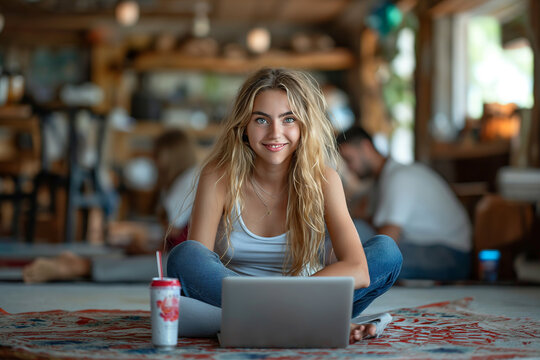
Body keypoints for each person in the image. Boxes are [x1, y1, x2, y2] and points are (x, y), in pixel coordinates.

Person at [166, 68, 402, 343]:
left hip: (304, 300)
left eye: (288, 119)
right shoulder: (218, 176)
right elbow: (197, 263)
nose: (275, 133)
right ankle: (305, 324)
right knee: (184, 255)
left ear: (304, 125)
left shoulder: (324, 180)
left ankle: (265, 322)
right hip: (236, 300)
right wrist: (287, 304)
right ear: (244, 125)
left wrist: (292, 296)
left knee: (387, 252)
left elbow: (359, 270)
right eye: (261, 120)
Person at [22, 129, 198, 283]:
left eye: (155, 157)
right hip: (185, 256)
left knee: (165, 269)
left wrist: (135, 232)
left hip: (189, 260)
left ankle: (80, 266)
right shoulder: (185, 180)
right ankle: (82, 264)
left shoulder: (187, 180)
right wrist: (146, 250)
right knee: (161, 264)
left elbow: (172, 231)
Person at [337, 126, 472, 281]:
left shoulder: (399, 177)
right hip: (421, 245)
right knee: (356, 236)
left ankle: (330, 279)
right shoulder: (379, 182)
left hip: (450, 254)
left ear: (366, 147)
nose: (349, 168)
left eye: (349, 159)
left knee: (368, 259)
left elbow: (387, 242)